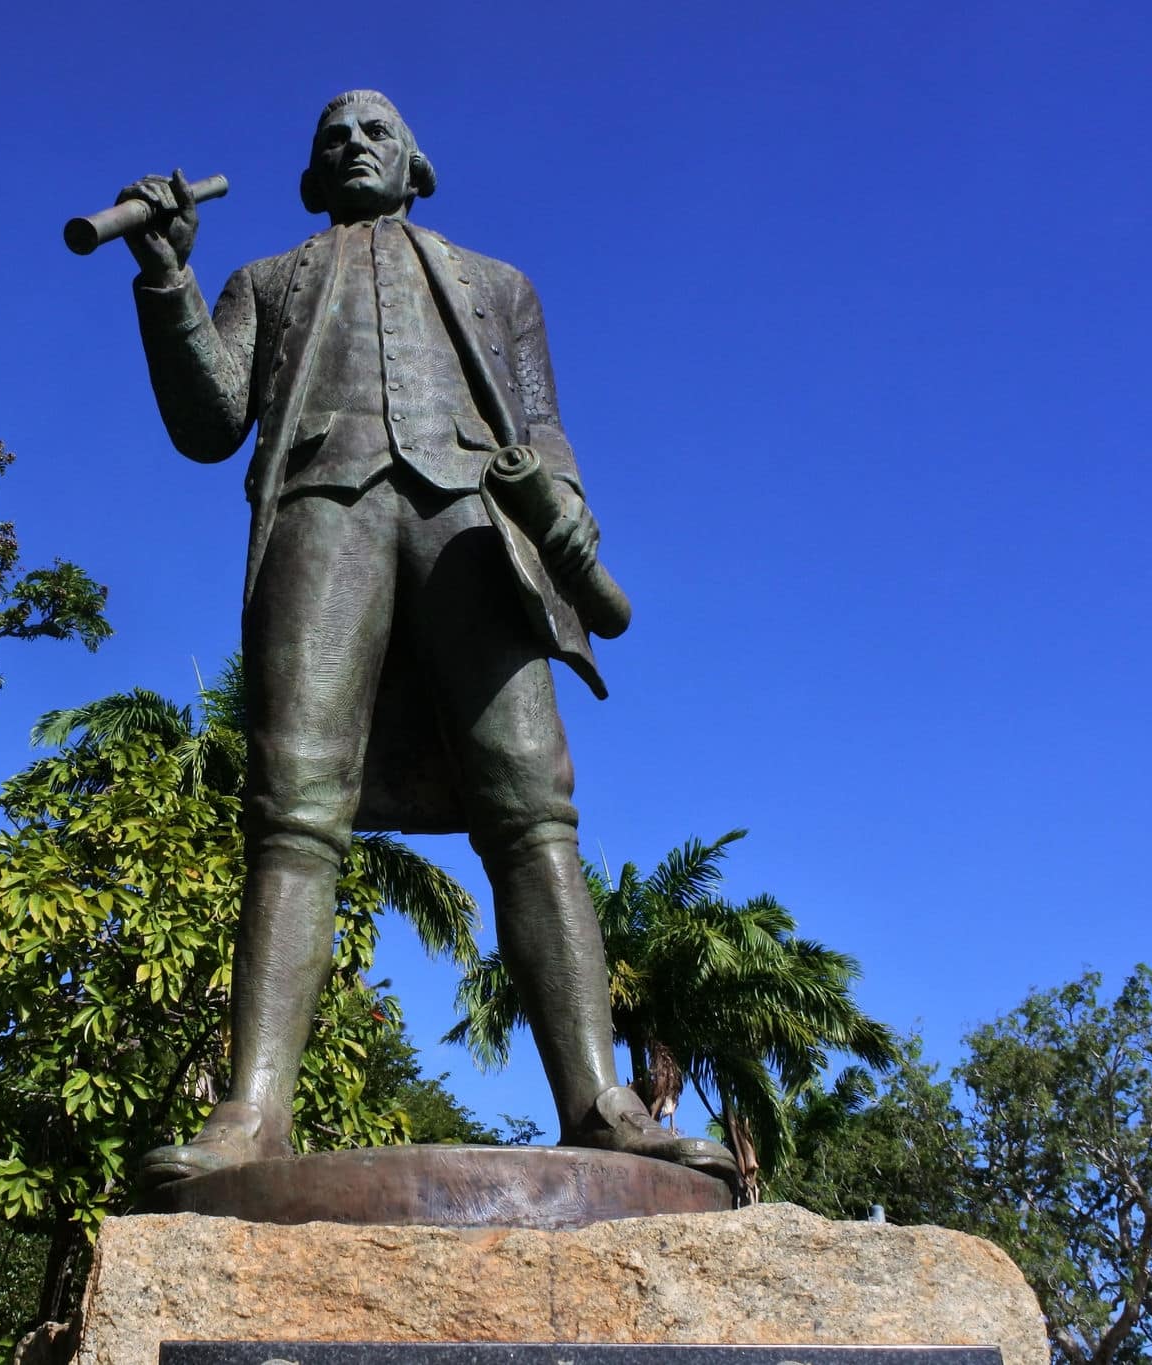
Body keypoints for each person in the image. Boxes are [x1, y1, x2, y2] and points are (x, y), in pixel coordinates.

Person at [117, 90, 735, 1185]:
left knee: (530, 798)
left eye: (374, 133)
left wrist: (565, 509)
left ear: (416, 165)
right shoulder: (267, 280)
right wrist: (164, 278)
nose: (353, 146)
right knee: (293, 798)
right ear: (310, 182)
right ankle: (252, 1112)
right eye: (330, 141)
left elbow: (541, 426)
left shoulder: (499, 287)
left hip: (475, 526)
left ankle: (598, 1099)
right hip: (322, 509)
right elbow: (207, 425)